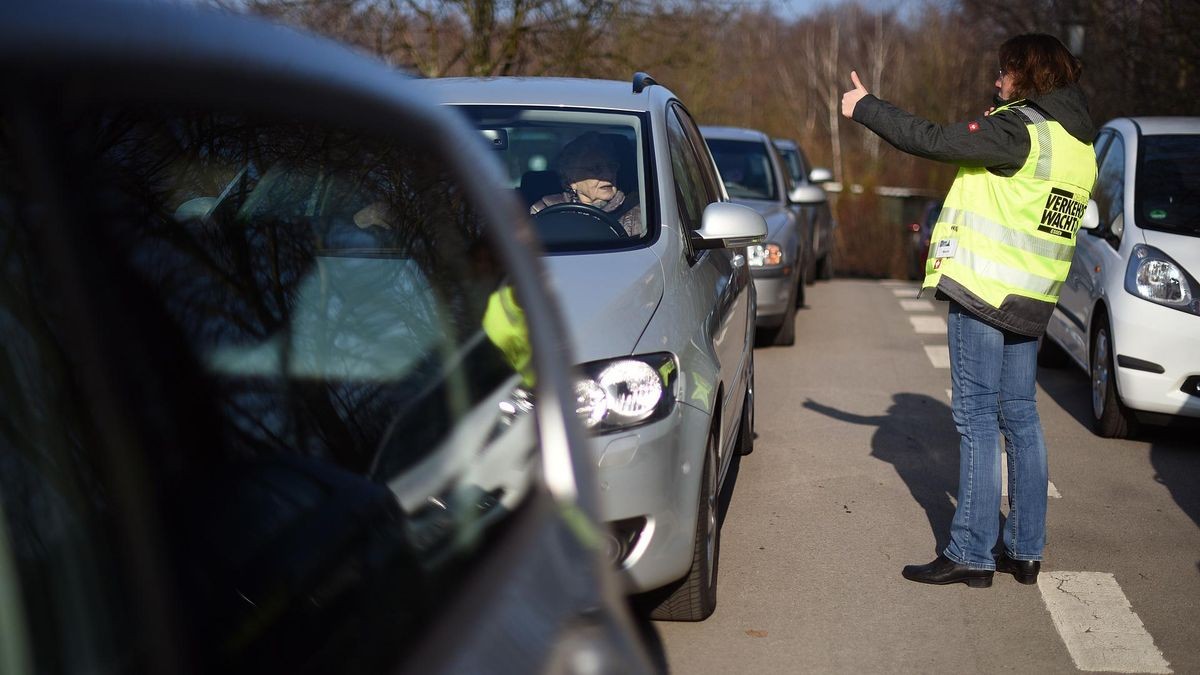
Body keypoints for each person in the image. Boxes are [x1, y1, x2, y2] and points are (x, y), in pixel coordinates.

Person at [841, 34, 1098, 588]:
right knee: (1021, 418)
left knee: (977, 417)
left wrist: (866, 108)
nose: (997, 82)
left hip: (984, 291)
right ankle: (1026, 550)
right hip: (1032, 298)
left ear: (1026, 75)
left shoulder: (1017, 130)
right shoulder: (1077, 143)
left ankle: (971, 552)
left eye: (1005, 74)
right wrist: (1007, 116)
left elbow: (933, 139)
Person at [530, 131, 644, 237]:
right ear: (571, 180)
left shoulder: (638, 213)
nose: (609, 174)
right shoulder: (545, 210)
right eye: (596, 168)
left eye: (612, 166)